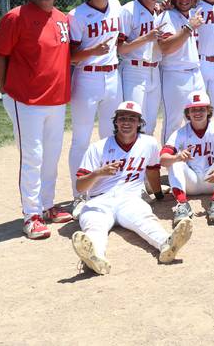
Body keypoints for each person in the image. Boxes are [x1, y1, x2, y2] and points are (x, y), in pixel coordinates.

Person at [0, 0, 73, 239]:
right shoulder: (15, 17)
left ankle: (48, 206)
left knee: (51, 155)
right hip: (25, 100)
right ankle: (31, 215)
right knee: (33, 158)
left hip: (56, 100)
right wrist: (6, 91)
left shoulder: (62, 18)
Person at [71, 101, 192, 275]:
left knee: (145, 220)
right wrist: (98, 173)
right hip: (99, 200)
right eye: (122, 118)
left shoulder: (149, 143)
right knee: (95, 227)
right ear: (116, 122)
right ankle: (95, 257)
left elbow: (152, 171)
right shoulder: (98, 148)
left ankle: (167, 244)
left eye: (132, 118)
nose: (126, 122)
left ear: (139, 122)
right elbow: (80, 186)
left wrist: (157, 194)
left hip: (130, 199)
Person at [67, 0, 124, 215]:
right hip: (86, 78)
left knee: (109, 136)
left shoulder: (118, 6)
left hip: (113, 76)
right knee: (81, 139)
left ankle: (105, 187)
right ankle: (79, 194)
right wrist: (92, 51)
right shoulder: (76, 14)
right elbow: (71, 56)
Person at [160, 91, 214, 226]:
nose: (197, 113)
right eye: (193, 110)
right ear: (188, 113)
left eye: (201, 109)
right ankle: (182, 204)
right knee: (175, 162)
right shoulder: (180, 133)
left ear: (208, 110)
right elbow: (163, 159)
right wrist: (177, 157)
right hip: (191, 183)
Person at [156, 0, 205, 143]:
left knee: (198, 119)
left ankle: (194, 158)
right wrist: (189, 27)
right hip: (174, 74)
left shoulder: (192, 15)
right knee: (174, 121)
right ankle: (170, 161)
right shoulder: (167, 16)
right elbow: (166, 48)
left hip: (195, 72)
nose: (184, 0)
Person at [119, 0, 166, 135]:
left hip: (155, 70)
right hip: (134, 71)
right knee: (135, 122)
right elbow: (121, 48)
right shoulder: (128, 10)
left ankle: (147, 162)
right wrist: (146, 38)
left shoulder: (160, 11)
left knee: (151, 124)